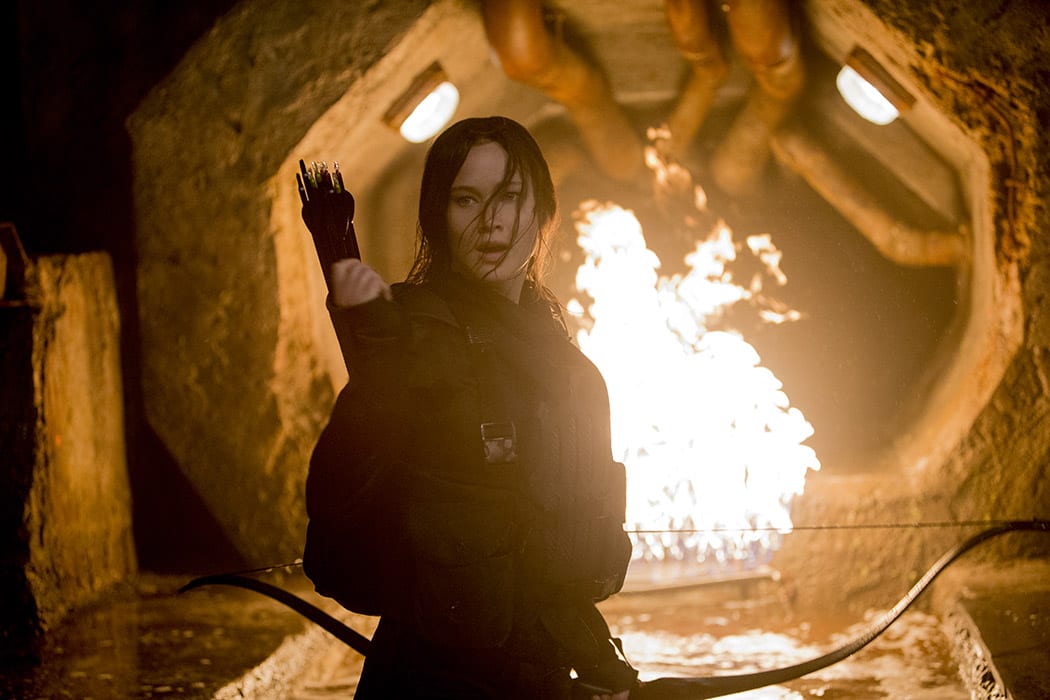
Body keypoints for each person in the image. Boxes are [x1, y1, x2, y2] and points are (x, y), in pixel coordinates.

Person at [302, 116, 639, 699]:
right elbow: (337, 536)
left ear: (543, 212)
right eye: (466, 199)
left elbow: (565, 574)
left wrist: (603, 667)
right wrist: (380, 387)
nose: (492, 221)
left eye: (510, 196)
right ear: (438, 217)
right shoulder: (409, 341)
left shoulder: (568, 368)